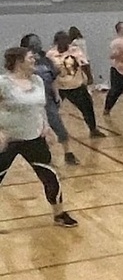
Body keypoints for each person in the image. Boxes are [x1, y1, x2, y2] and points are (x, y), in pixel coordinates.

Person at [0, 47, 77, 227]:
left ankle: (59, 214)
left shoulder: (37, 81)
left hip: (34, 139)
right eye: (30, 57)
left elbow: (39, 107)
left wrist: (46, 126)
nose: (34, 59)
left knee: (50, 176)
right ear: (19, 62)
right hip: (8, 140)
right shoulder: (3, 83)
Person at [20, 34, 76, 166]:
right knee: (39, 131)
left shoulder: (46, 60)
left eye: (38, 41)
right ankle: (45, 157)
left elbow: (54, 78)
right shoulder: (22, 62)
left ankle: (68, 153)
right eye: (34, 42)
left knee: (58, 126)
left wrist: (56, 95)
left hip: (48, 100)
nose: (37, 44)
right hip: (31, 102)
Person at [46, 30, 103, 139]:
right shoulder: (51, 54)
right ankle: (48, 133)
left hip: (76, 85)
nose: (65, 42)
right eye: (62, 39)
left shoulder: (75, 50)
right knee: (52, 110)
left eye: (66, 39)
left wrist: (89, 77)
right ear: (56, 41)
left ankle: (93, 129)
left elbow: (84, 64)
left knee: (87, 108)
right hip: (59, 87)